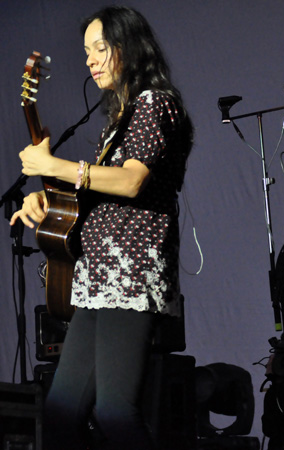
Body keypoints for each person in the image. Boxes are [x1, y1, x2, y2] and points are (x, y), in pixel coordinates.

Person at [10, 6, 193, 449]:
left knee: (114, 411)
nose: (90, 60)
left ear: (128, 48)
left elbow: (131, 181)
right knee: (60, 414)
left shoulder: (155, 103)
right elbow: (97, 193)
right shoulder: (121, 118)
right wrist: (46, 197)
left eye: (100, 48)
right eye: (86, 51)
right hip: (97, 278)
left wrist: (55, 165)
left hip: (128, 275)